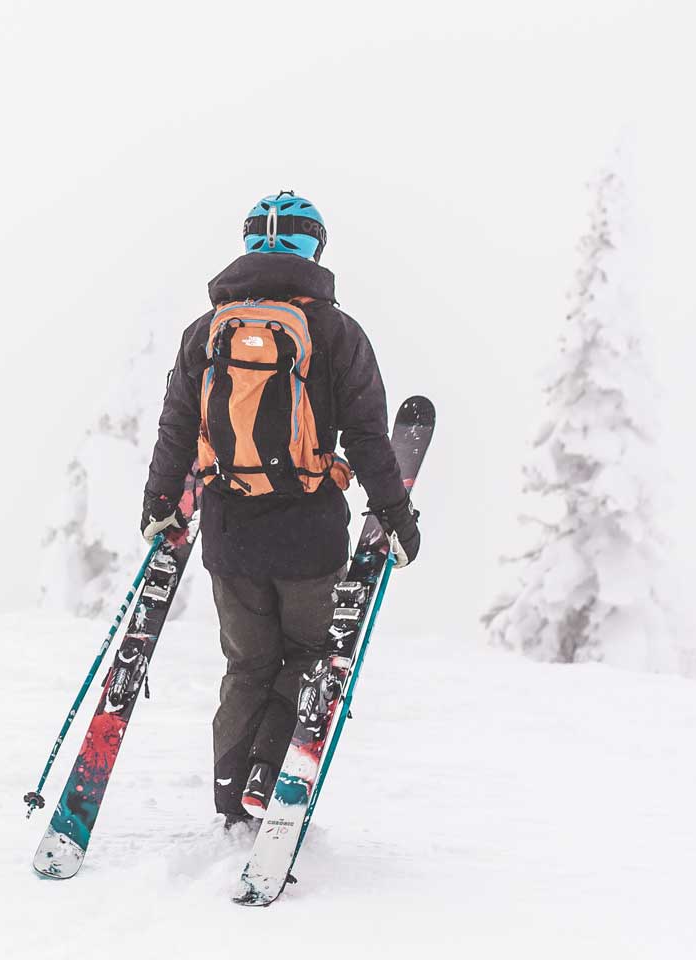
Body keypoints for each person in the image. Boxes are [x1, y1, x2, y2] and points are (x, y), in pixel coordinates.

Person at [140, 191, 422, 828]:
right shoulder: (335, 332)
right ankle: (270, 777)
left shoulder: (204, 333)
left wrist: (160, 503)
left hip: (228, 532)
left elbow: (176, 426)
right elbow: (369, 439)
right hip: (309, 534)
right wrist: (396, 517)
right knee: (306, 656)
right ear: (315, 247)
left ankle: (227, 796)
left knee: (246, 666)